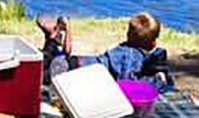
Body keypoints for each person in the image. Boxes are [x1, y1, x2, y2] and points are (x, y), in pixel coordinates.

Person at [36, 11, 172, 92]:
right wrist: (156, 81)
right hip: (71, 71)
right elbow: (127, 83)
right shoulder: (133, 56)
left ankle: (53, 40)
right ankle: (53, 40)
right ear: (153, 41)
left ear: (128, 34)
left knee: (42, 65)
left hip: (76, 62)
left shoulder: (124, 47)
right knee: (36, 79)